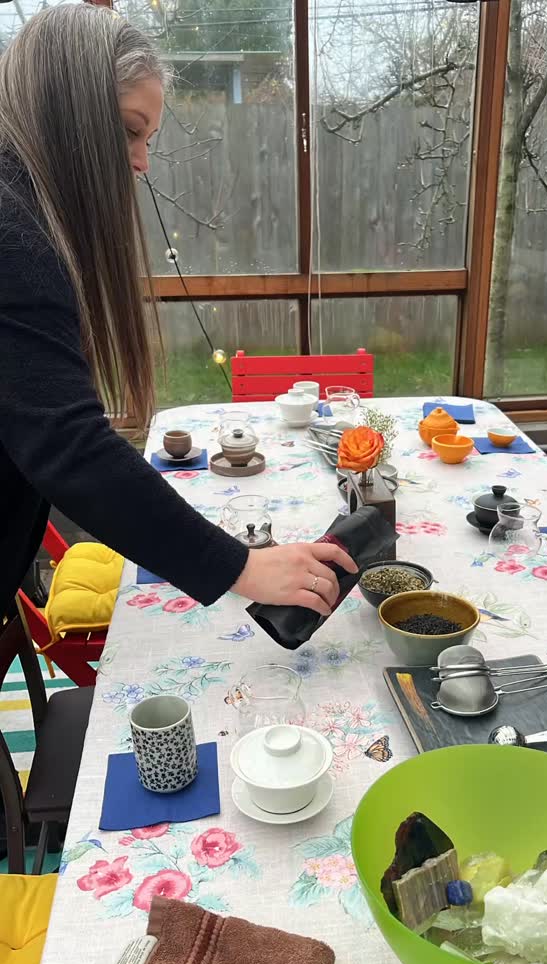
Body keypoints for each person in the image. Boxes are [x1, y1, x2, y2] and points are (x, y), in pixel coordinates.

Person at [0, 5, 357, 623]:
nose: (141, 162)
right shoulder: (11, 235)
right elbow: (69, 447)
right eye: (129, 131)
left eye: (147, 139)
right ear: (68, 117)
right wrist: (240, 565)